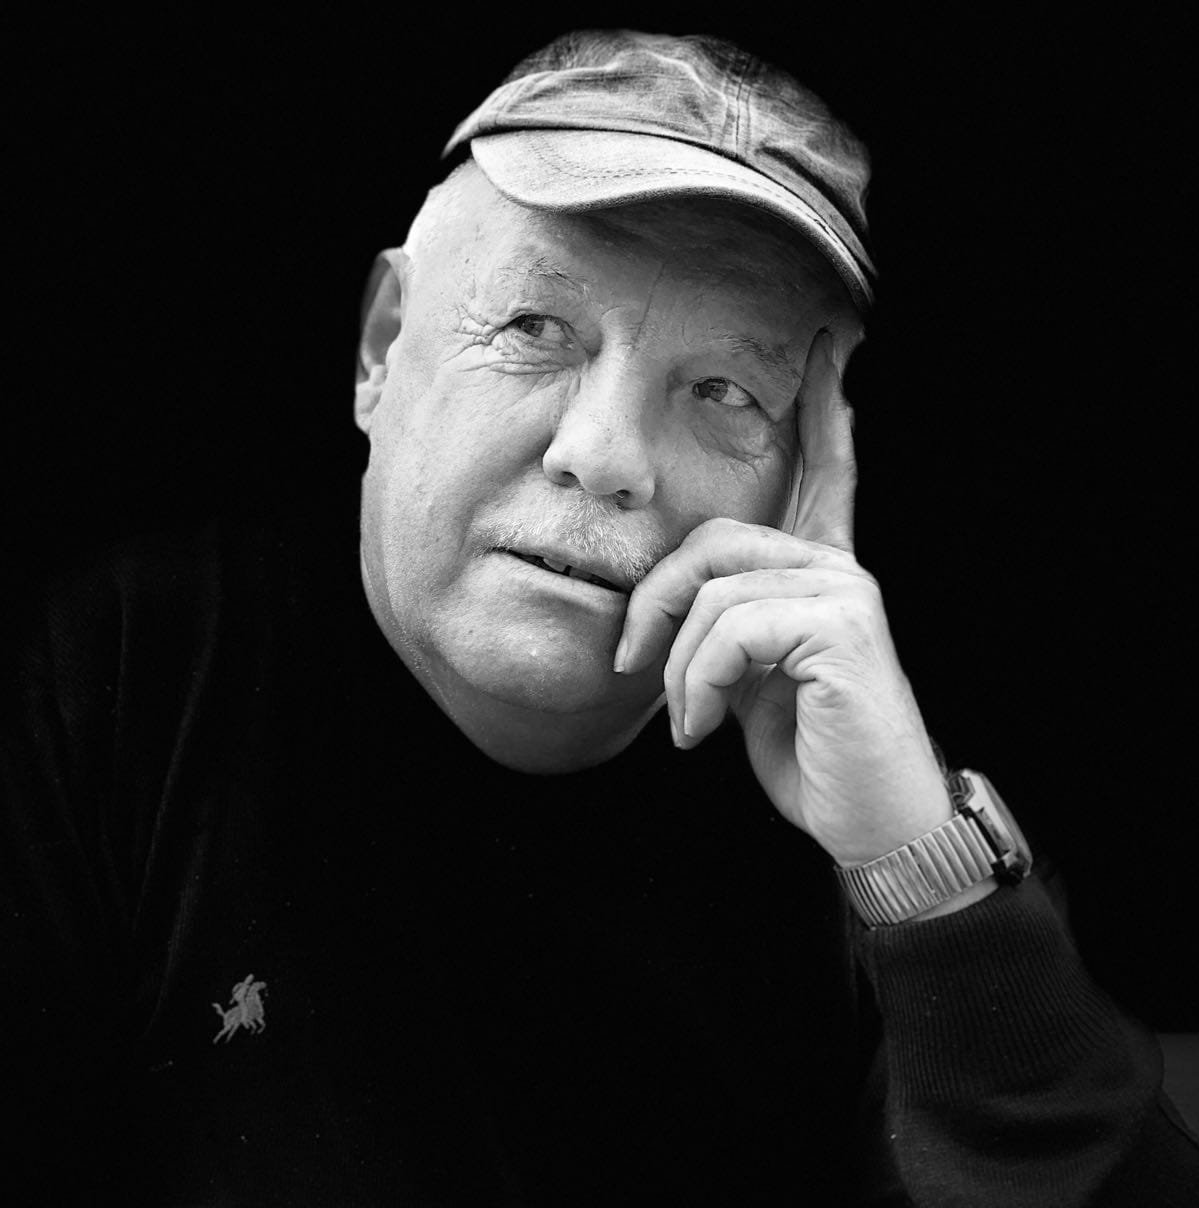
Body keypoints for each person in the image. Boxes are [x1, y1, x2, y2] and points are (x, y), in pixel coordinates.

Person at [3, 28, 1196, 1206]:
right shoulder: (120, 671)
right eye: (534, 328)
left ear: (795, 474)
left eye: (723, 390)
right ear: (380, 346)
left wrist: (924, 878)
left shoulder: (860, 801)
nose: (607, 453)